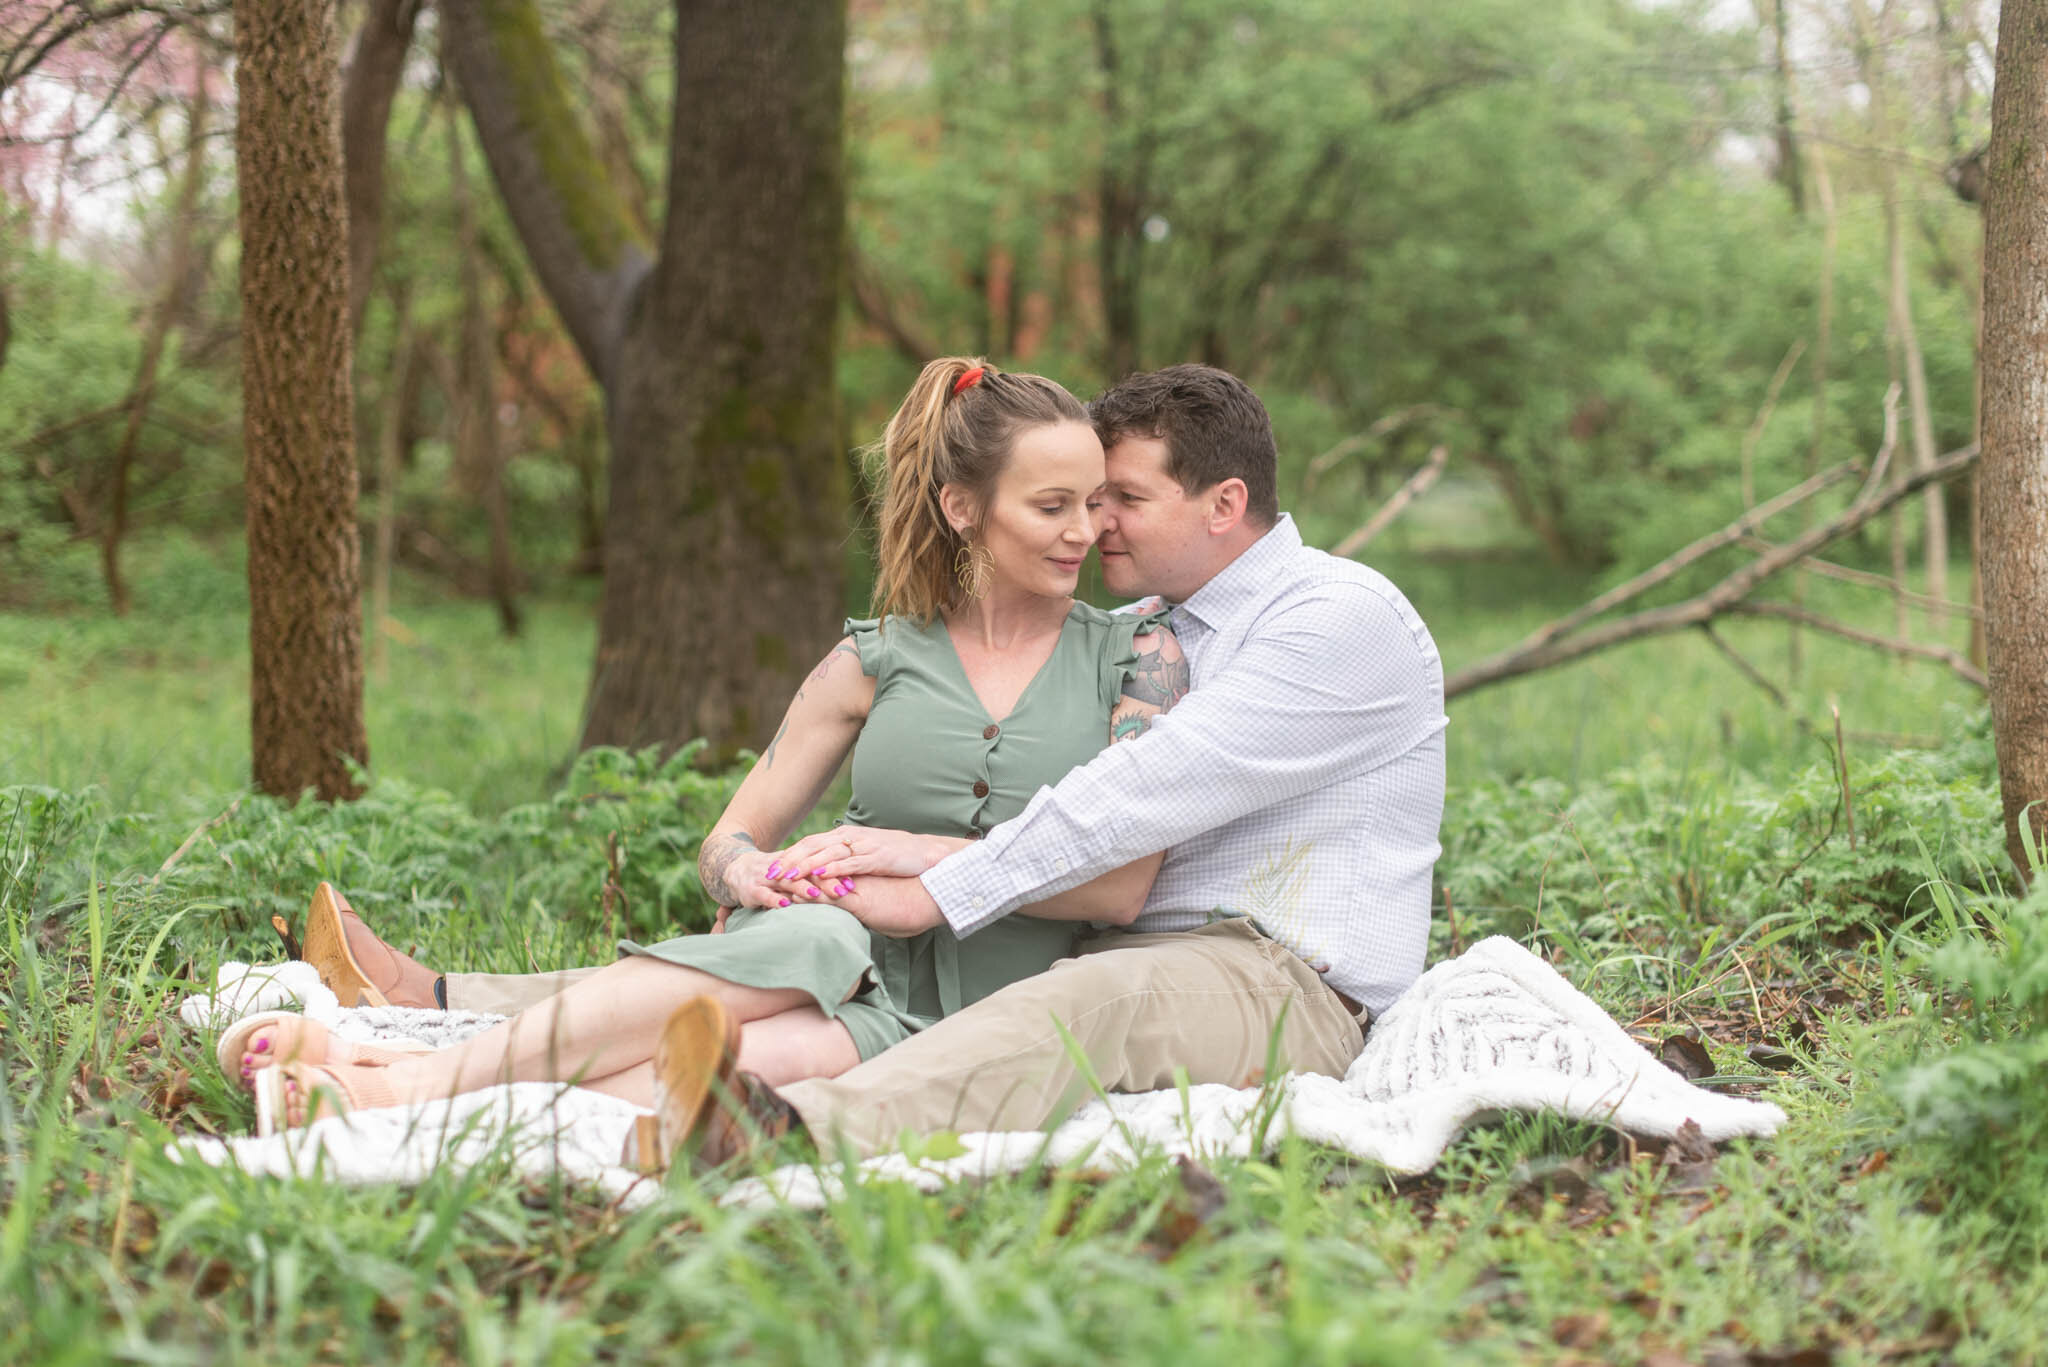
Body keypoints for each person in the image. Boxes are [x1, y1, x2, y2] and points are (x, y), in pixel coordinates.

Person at [228, 356, 1189, 1151]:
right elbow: (724, 847)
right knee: (800, 949)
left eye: (1097, 502)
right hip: (825, 951)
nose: (1084, 530)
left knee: (696, 1079)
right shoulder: (875, 657)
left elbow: (1120, 888)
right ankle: (391, 1087)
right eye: (1053, 503)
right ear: (962, 508)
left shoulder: (1139, 660)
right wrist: (759, 876)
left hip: (973, 1011)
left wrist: (921, 865)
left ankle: (382, 1074)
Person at [644, 363, 1447, 1169]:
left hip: (1284, 982)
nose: (1098, 528)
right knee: (1011, 992)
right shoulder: (1145, 632)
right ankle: (602, 1063)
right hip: (1116, 957)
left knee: (1085, 1002)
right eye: (1089, 502)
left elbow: (1143, 790)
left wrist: (933, 872)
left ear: (1225, 505)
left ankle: (783, 1131)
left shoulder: (1336, 617)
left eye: (1124, 501)